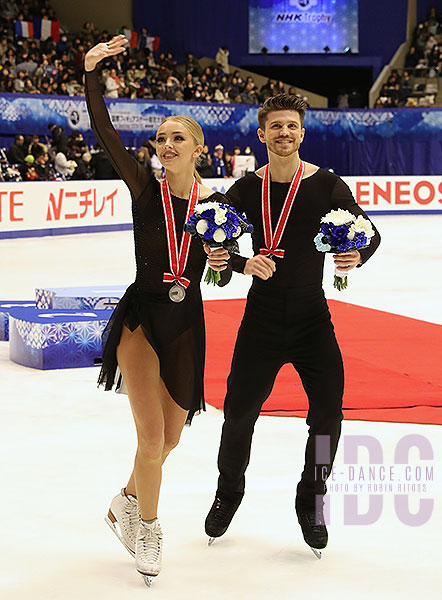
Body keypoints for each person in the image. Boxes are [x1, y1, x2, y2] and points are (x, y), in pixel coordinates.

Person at [204, 94, 381, 557]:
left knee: (328, 413)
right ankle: (229, 489)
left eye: (292, 126)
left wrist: (356, 254)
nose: (284, 133)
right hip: (261, 317)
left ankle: (313, 494)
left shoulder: (326, 185)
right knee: (239, 411)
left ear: (302, 133)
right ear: (262, 135)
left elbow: (369, 230)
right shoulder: (246, 188)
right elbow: (207, 233)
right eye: (275, 126)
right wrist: (237, 260)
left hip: (311, 319)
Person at [84, 34, 231, 585]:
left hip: (187, 322)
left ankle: (123, 500)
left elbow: (221, 260)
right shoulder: (145, 188)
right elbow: (104, 131)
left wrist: (239, 265)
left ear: (199, 149)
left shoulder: (214, 207)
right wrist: (92, 72)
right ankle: (146, 526)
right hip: (144, 320)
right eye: (160, 138)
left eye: (177, 138)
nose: (165, 144)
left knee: (170, 438)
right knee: (150, 440)